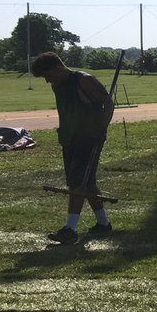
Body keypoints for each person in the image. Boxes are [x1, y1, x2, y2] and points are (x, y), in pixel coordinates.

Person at [30, 52, 115, 243]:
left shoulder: (84, 80)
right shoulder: (56, 85)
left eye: (47, 76)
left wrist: (101, 129)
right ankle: (103, 224)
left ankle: (70, 229)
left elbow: (108, 104)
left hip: (89, 138)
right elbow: (66, 111)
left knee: (78, 182)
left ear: (57, 67)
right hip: (70, 140)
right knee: (87, 182)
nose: (47, 81)